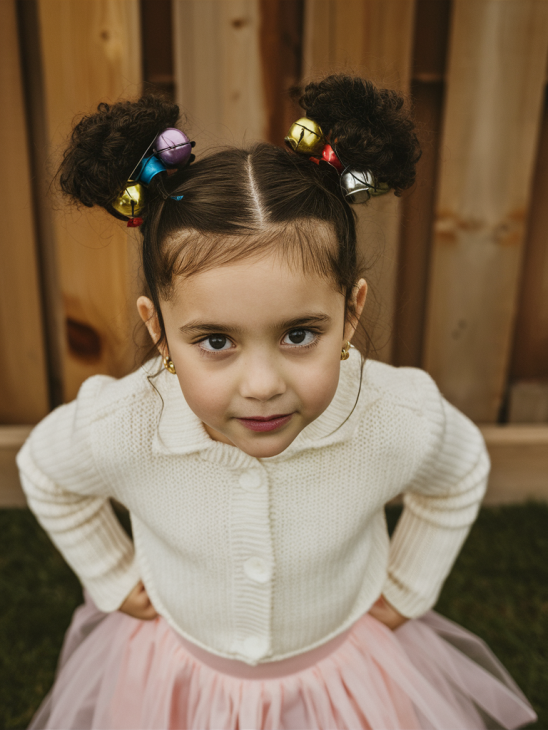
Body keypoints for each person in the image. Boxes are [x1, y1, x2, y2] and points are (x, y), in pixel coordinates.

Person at [17, 75, 536, 729]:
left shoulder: (393, 416)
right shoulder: (123, 423)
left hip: (342, 669)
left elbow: (459, 474)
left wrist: (407, 585)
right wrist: (112, 575)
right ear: (159, 330)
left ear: (350, 315)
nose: (261, 384)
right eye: (215, 341)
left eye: (298, 335)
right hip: (181, 672)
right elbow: (45, 472)